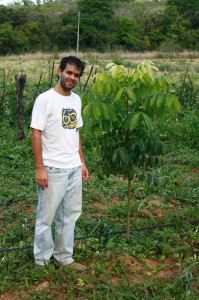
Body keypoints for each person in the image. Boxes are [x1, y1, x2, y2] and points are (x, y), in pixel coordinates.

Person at [30, 56, 89, 271]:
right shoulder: (45, 99)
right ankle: (42, 261)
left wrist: (81, 162)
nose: (72, 78)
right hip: (53, 169)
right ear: (59, 71)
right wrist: (40, 167)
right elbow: (36, 134)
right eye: (69, 73)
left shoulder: (76, 100)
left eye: (76, 75)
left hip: (73, 167)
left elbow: (76, 133)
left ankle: (64, 257)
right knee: (45, 217)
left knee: (70, 215)